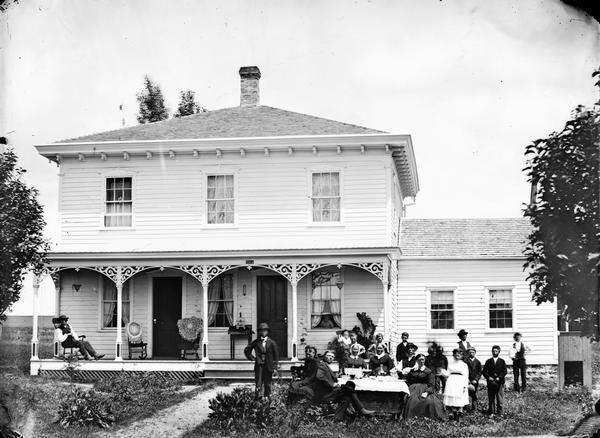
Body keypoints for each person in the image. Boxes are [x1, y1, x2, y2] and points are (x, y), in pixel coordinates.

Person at [309, 350, 375, 419]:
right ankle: (361, 410)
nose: (331, 358)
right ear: (324, 356)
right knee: (348, 389)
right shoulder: (322, 365)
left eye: (332, 357)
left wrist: (335, 378)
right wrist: (332, 384)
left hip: (329, 392)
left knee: (349, 389)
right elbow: (319, 377)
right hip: (326, 394)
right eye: (329, 356)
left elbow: (326, 376)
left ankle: (339, 417)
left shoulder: (326, 365)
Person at [403, 354, 448, 420]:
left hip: (425, 388)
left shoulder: (428, 371)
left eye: (423, 359)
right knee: (412, 400)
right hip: (413, 389)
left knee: (431, 402)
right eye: (419, 360)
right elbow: (408, 382)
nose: (421, 361)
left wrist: (427, 392)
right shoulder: (412, 371)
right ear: (416, 360)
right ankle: (412, 418)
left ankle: (427, 417)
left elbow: (432, 384)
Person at [244, 322, 279, 399]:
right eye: (261, 331)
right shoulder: (256, 342)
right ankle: (258, 400)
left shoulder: (272, 342)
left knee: (268, 383)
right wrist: (252, 358)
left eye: (265, 330)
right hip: (259, 365)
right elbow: (247, 350)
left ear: (267, 332)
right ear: (259, 332)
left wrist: (275, 367)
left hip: (268, 365)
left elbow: (276, 356)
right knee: (258, 383)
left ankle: (268, 399)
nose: (263, 332)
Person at [443, 348, 469, 420]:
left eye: (459, 354)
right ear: (453, 355)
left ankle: (459, 412)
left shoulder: (464, 365)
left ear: (462, 355)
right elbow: (448, 373)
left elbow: (466, 375)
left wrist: (465, 385)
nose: (457, 355)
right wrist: (443, 372)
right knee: (452, 396)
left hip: (460, 381)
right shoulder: (450, 363)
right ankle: (453, 412)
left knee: (459, 396)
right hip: (451, 380)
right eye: (456, 354)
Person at [482, 345, 507, 416]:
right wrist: (488, 377)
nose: (494, 352)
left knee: (500, 398)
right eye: (493, 351)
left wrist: (500, 377)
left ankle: (500, 412)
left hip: (500, 382)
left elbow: (505, 371)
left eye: (496, 351)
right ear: (491, 352)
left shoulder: (502, 361)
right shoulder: (488, 361)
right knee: (491, 397)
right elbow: (484, 371)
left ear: (499, 352)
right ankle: (491, 412)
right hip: (491, 382)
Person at [464, 347, 482, 411]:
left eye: (473, 352)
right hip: (467, 380)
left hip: (474, 381)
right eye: (470, 352)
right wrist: (466, 379)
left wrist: (476, 379)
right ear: (468, 353)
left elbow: (480, 372)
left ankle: (474, 408)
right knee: (465, 394)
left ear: (475, 353)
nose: (471, 353)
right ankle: (466, 408)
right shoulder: (465, 361)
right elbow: (463, 371)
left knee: (474, 394)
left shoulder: (478, 362)